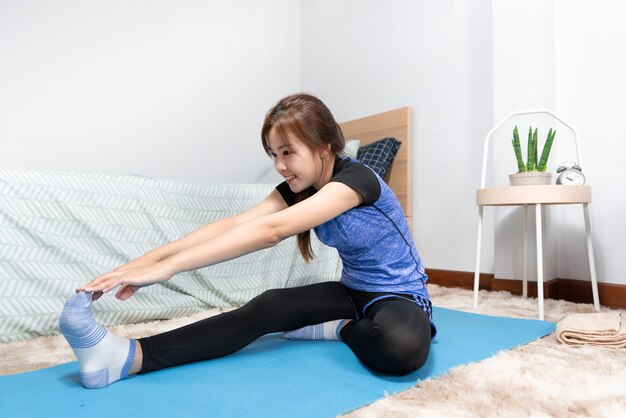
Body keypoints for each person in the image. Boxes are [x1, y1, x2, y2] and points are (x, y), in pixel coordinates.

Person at [59, 93, 436, 389]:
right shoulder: (301, 187)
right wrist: (143, 264)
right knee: (267, 307)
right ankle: (127, 357)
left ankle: (338, 327)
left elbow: (270, 231)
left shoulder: (357, 181)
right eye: (274, 154)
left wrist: (170, 270)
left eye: (288, 152)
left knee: (398, 348)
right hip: (351, 291)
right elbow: (234, 224)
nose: (279, 165)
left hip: (399, 294)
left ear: (324, 147)